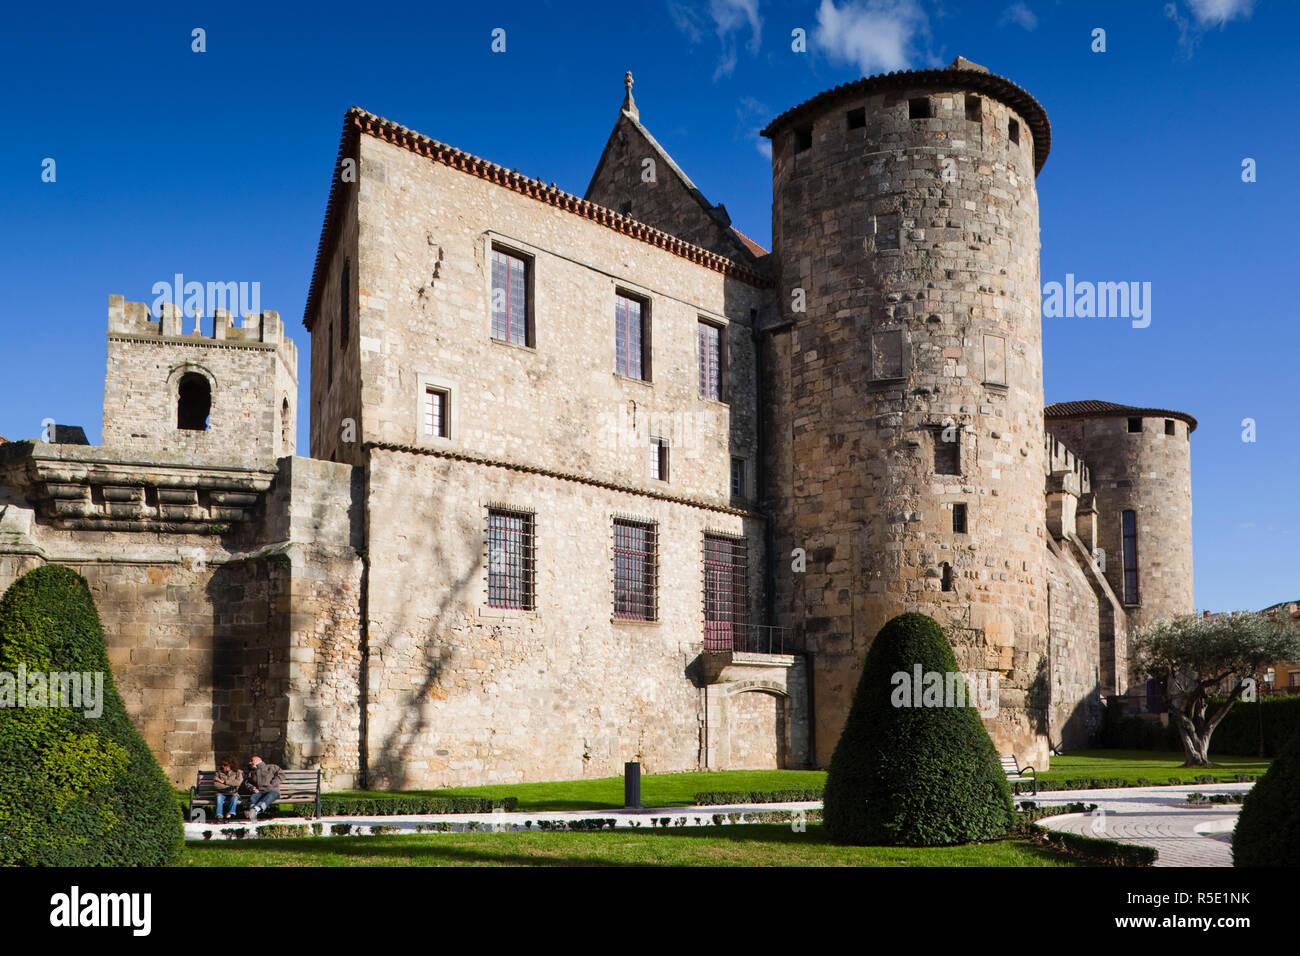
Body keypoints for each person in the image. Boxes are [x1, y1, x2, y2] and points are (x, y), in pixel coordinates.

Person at [245, 755, 285, 819]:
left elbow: (281, 775)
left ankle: (254, 810)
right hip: (259, 792)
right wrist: (252, 788)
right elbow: (247, 782)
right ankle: (253, 812)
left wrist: (273, 783)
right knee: (253, 797)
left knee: (269, 796)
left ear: (259, 760)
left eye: (252, 760)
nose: (250, 762)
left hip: (272, 791)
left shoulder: (271, 767)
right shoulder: (252, 772)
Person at [213, 756, 243, 820]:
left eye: (225, 765)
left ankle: (230, 814)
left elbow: (238, 783)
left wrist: (223, 782)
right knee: (219, 797)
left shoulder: (238, 772)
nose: (223, 766)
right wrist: (230, 785)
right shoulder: (218, 772)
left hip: (233, 792)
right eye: (222, 765)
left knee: (234, 798)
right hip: (221, 792)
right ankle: (219, 815)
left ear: (231, 765)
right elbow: (216, 784)